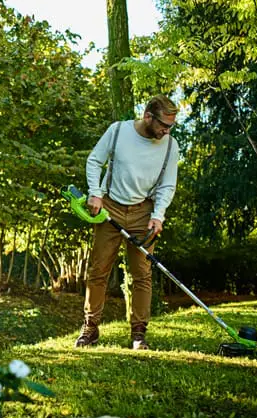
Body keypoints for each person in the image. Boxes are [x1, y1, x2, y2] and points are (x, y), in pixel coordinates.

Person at [74, 95, 179, 350]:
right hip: (109, 208)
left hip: (144, 212)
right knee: (98, 271)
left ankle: (139, 334)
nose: (167, 130)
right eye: (163, 125)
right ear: (147, 116)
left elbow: (167, 184)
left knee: (142, 275)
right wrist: (95, 192)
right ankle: (90, 329)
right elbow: (94, 160)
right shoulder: (118, 130)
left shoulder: (170, 145)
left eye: (171, 126)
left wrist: (158, 215)